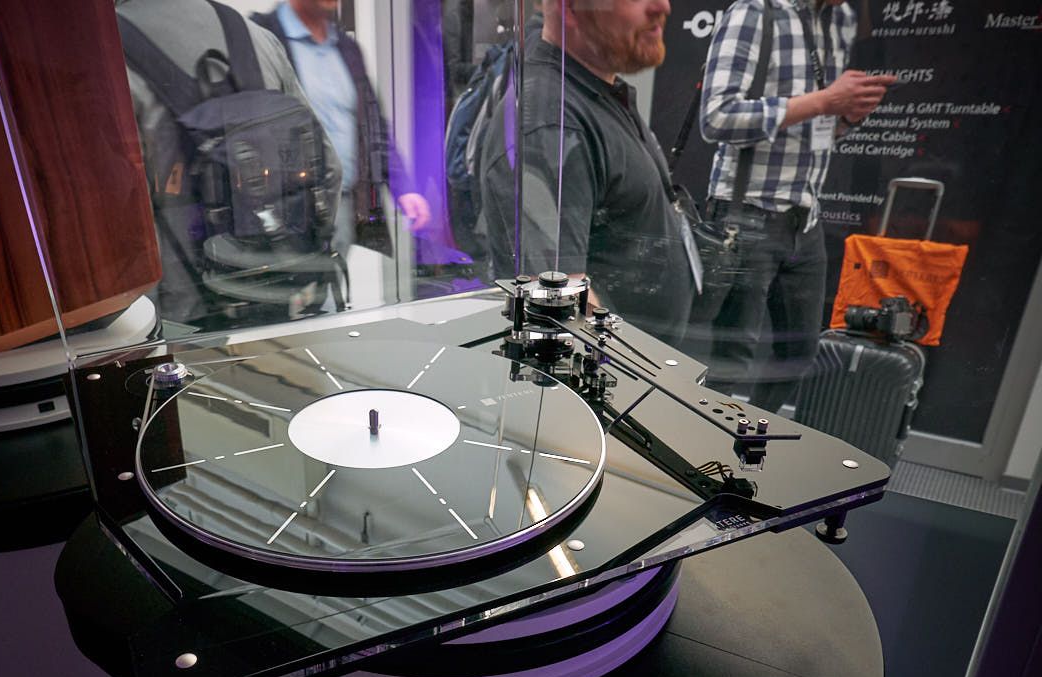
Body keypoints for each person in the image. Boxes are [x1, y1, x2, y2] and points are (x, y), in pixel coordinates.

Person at [695, 0, 895, 411]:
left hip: (805, 219)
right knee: (731, 359)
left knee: (798, 356)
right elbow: (716, 118)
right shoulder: (756, 11)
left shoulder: (839, 19)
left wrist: (847, 116)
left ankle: (748, 440)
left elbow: (814, 131)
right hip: (746, 214)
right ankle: (700, 447)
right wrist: (824, 100)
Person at [479, 0, 695, 345]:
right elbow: (558, 307)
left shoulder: (593, 91)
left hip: (644, 365)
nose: (663, 6)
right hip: (616, 372)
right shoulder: (551, 124)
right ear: (569, 8)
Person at [117, 0, 343, 325]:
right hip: (278, 294)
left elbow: (122, 223)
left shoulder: (109, 52)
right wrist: (297, 258)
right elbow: (329, 168)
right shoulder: (256, 37)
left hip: (182, 314)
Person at [252, 1, 431, 263]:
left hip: (344, 207)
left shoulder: (346, 48)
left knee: (337, 286)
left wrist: (404, 187)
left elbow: (373, 125)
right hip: (287, 216)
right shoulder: (261, 37)